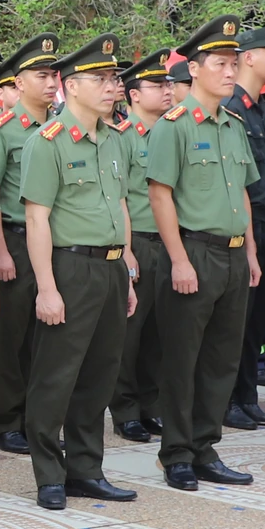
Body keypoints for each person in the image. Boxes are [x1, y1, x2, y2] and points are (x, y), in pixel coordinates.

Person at [18, 34, 137, 510]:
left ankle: (86, 468)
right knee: (56, 375)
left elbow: (122, 203)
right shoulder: (47, 142)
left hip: (109, 268)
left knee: (100, 374)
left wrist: (127, 264)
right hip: (70, 266)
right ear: (70, 86)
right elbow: (36, 217)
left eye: (114, 78)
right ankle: (49, 473)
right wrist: (46, 287)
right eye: (101, 79)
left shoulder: (115, 139)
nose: (112, 87)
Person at [146, 17, 261, 490]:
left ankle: (205, 447)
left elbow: (245, 194)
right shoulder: (173, 127)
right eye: (220, 64)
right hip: (194, 252)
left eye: (234, 64)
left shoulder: (233, 126)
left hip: (233, 256)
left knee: (221, 359)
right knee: (182, 359)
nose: (230, 72)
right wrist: (177, 259)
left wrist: (251, 253)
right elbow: (160, 195)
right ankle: (176, 453)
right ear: (194, 70)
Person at [0, 36, 61, 453]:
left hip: (52, 242)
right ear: (18, 82)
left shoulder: (60, 127)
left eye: (54, 75)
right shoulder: (2, 130)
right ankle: (6, 420)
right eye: (41, 76)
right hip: (13, 237)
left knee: (46, 339)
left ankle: (37, 419)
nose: (51, 83)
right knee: (10, 339)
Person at [109, 53, 175, 443]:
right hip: (138, 245)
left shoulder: (173, 131)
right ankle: (126, 409)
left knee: (159, 333)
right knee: (129, 335)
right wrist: (126, 249)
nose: (167, 91)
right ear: (134, 95)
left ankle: (153, 405)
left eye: (169, 85)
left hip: (170, 244)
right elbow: (119, 196)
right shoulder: (123, 138)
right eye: (157, 86)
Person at [225, 27, 265, 427]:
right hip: (244, 222)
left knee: (257, 320)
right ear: (247, 57)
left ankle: (246, 395)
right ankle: (228, 398)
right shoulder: (230, 108)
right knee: (236, 319)